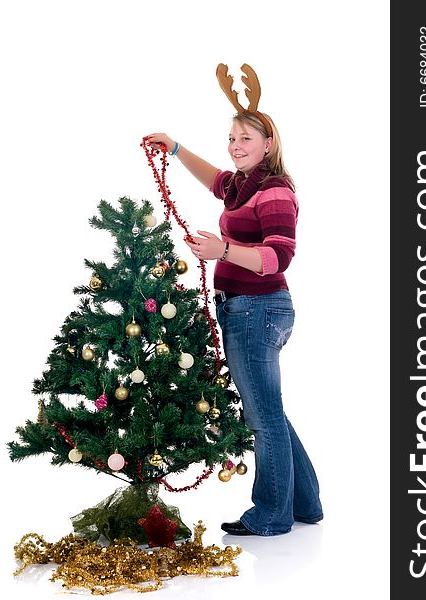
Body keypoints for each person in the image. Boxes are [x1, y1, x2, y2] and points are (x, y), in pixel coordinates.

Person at [145, 65, 323, 536]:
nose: (235, 145)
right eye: (231, 137)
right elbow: (214, 178)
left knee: (261, 416)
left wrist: (222, 250)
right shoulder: (242, 185)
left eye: (245, 138)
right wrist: (177, 148)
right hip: (245, 309)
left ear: (268, 143)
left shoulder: (274, 191)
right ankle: (306, 502)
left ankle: (271, 515)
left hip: (258, 310)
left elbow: (277, 257)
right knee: (269, 410)